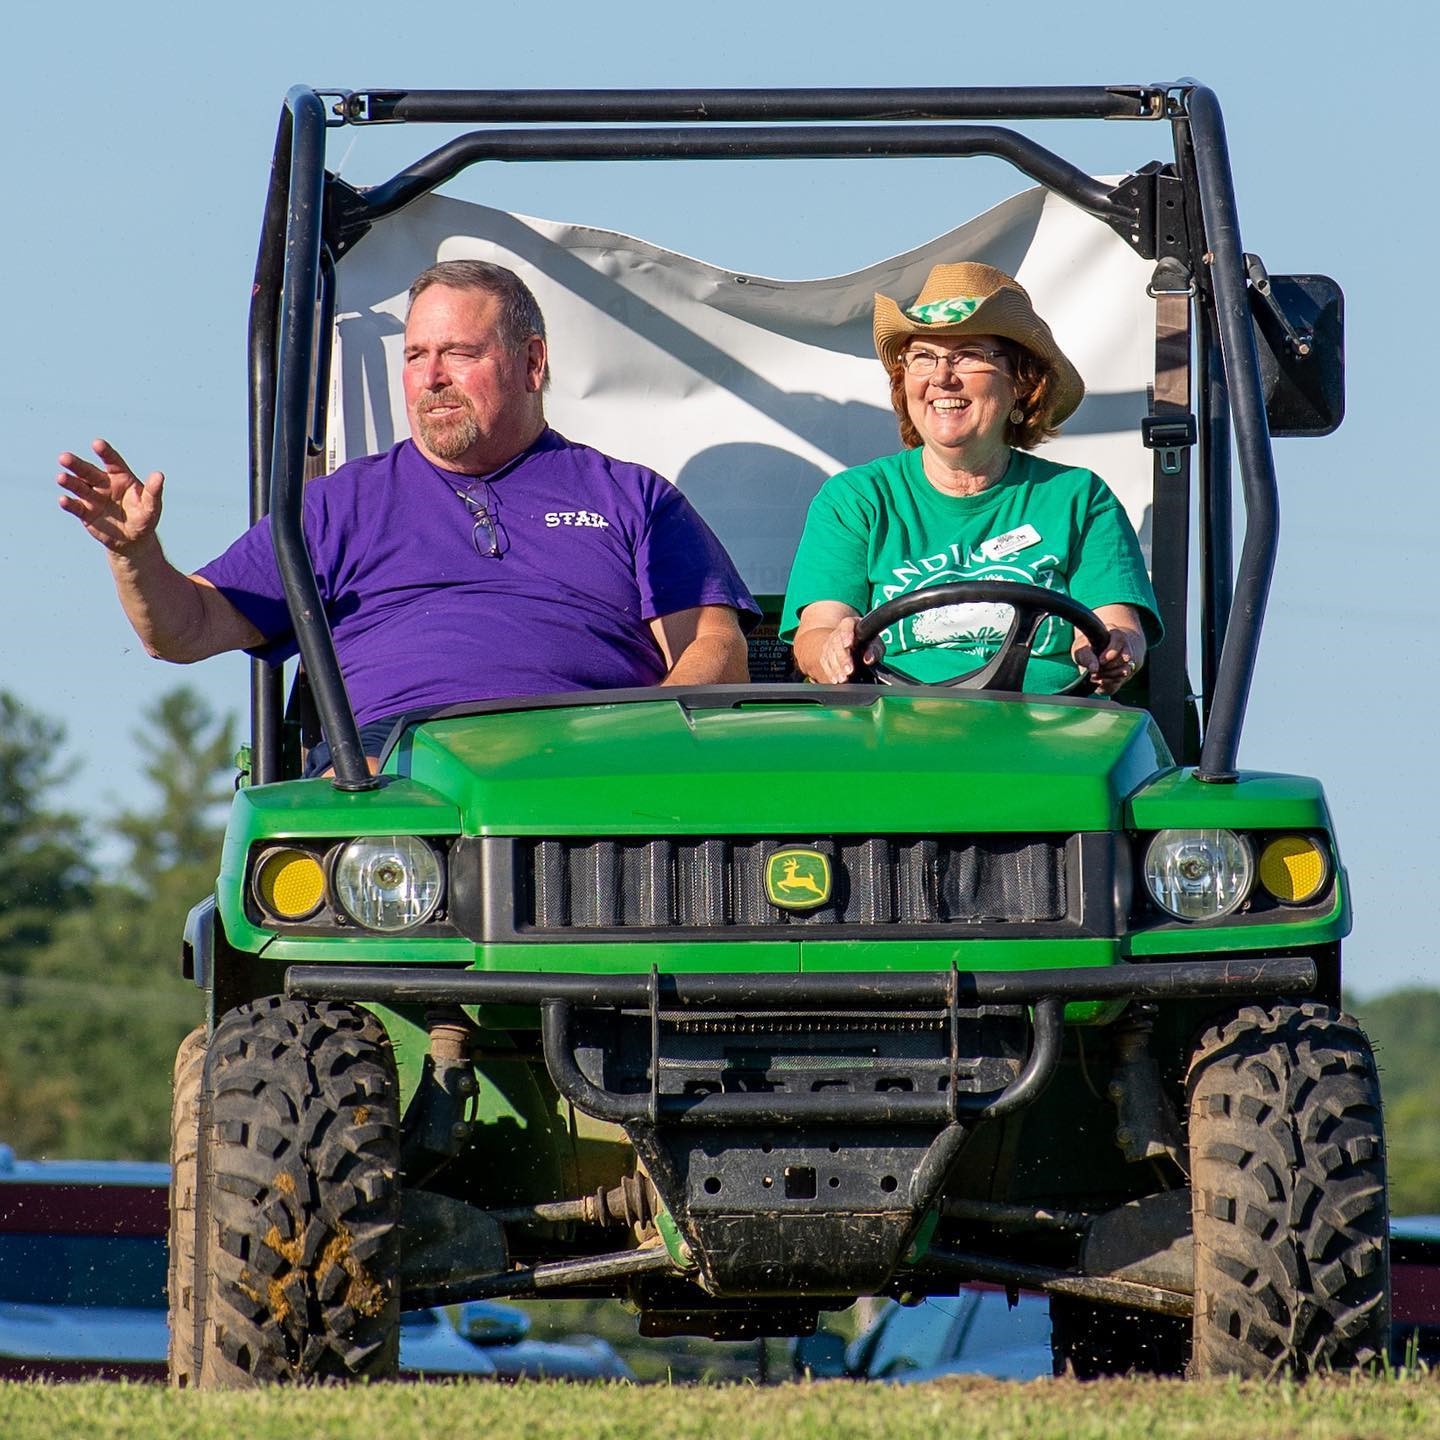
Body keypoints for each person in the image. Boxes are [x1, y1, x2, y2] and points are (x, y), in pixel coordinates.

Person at [58, 260, 759, 770]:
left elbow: (715, 650)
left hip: (586, 758)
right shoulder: (338, 506)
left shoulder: (631, 497)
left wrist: (641, 743)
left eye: (459, 352)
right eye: (416, 355)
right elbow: (183, 630)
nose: (432, 377)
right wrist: (135, 556)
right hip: (395, 766)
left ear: (532, 362)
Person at [781, 261, 1159, 694]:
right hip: (895, 725)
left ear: (1021, 381)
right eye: (923, 357)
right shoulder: (856, 498)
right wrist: (834, 648)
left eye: (969, 355)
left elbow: (1117, 625)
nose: (942, 377)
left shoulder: (1079, 497)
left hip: (1049, 724)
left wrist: (1112, 651)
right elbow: (818, 631)